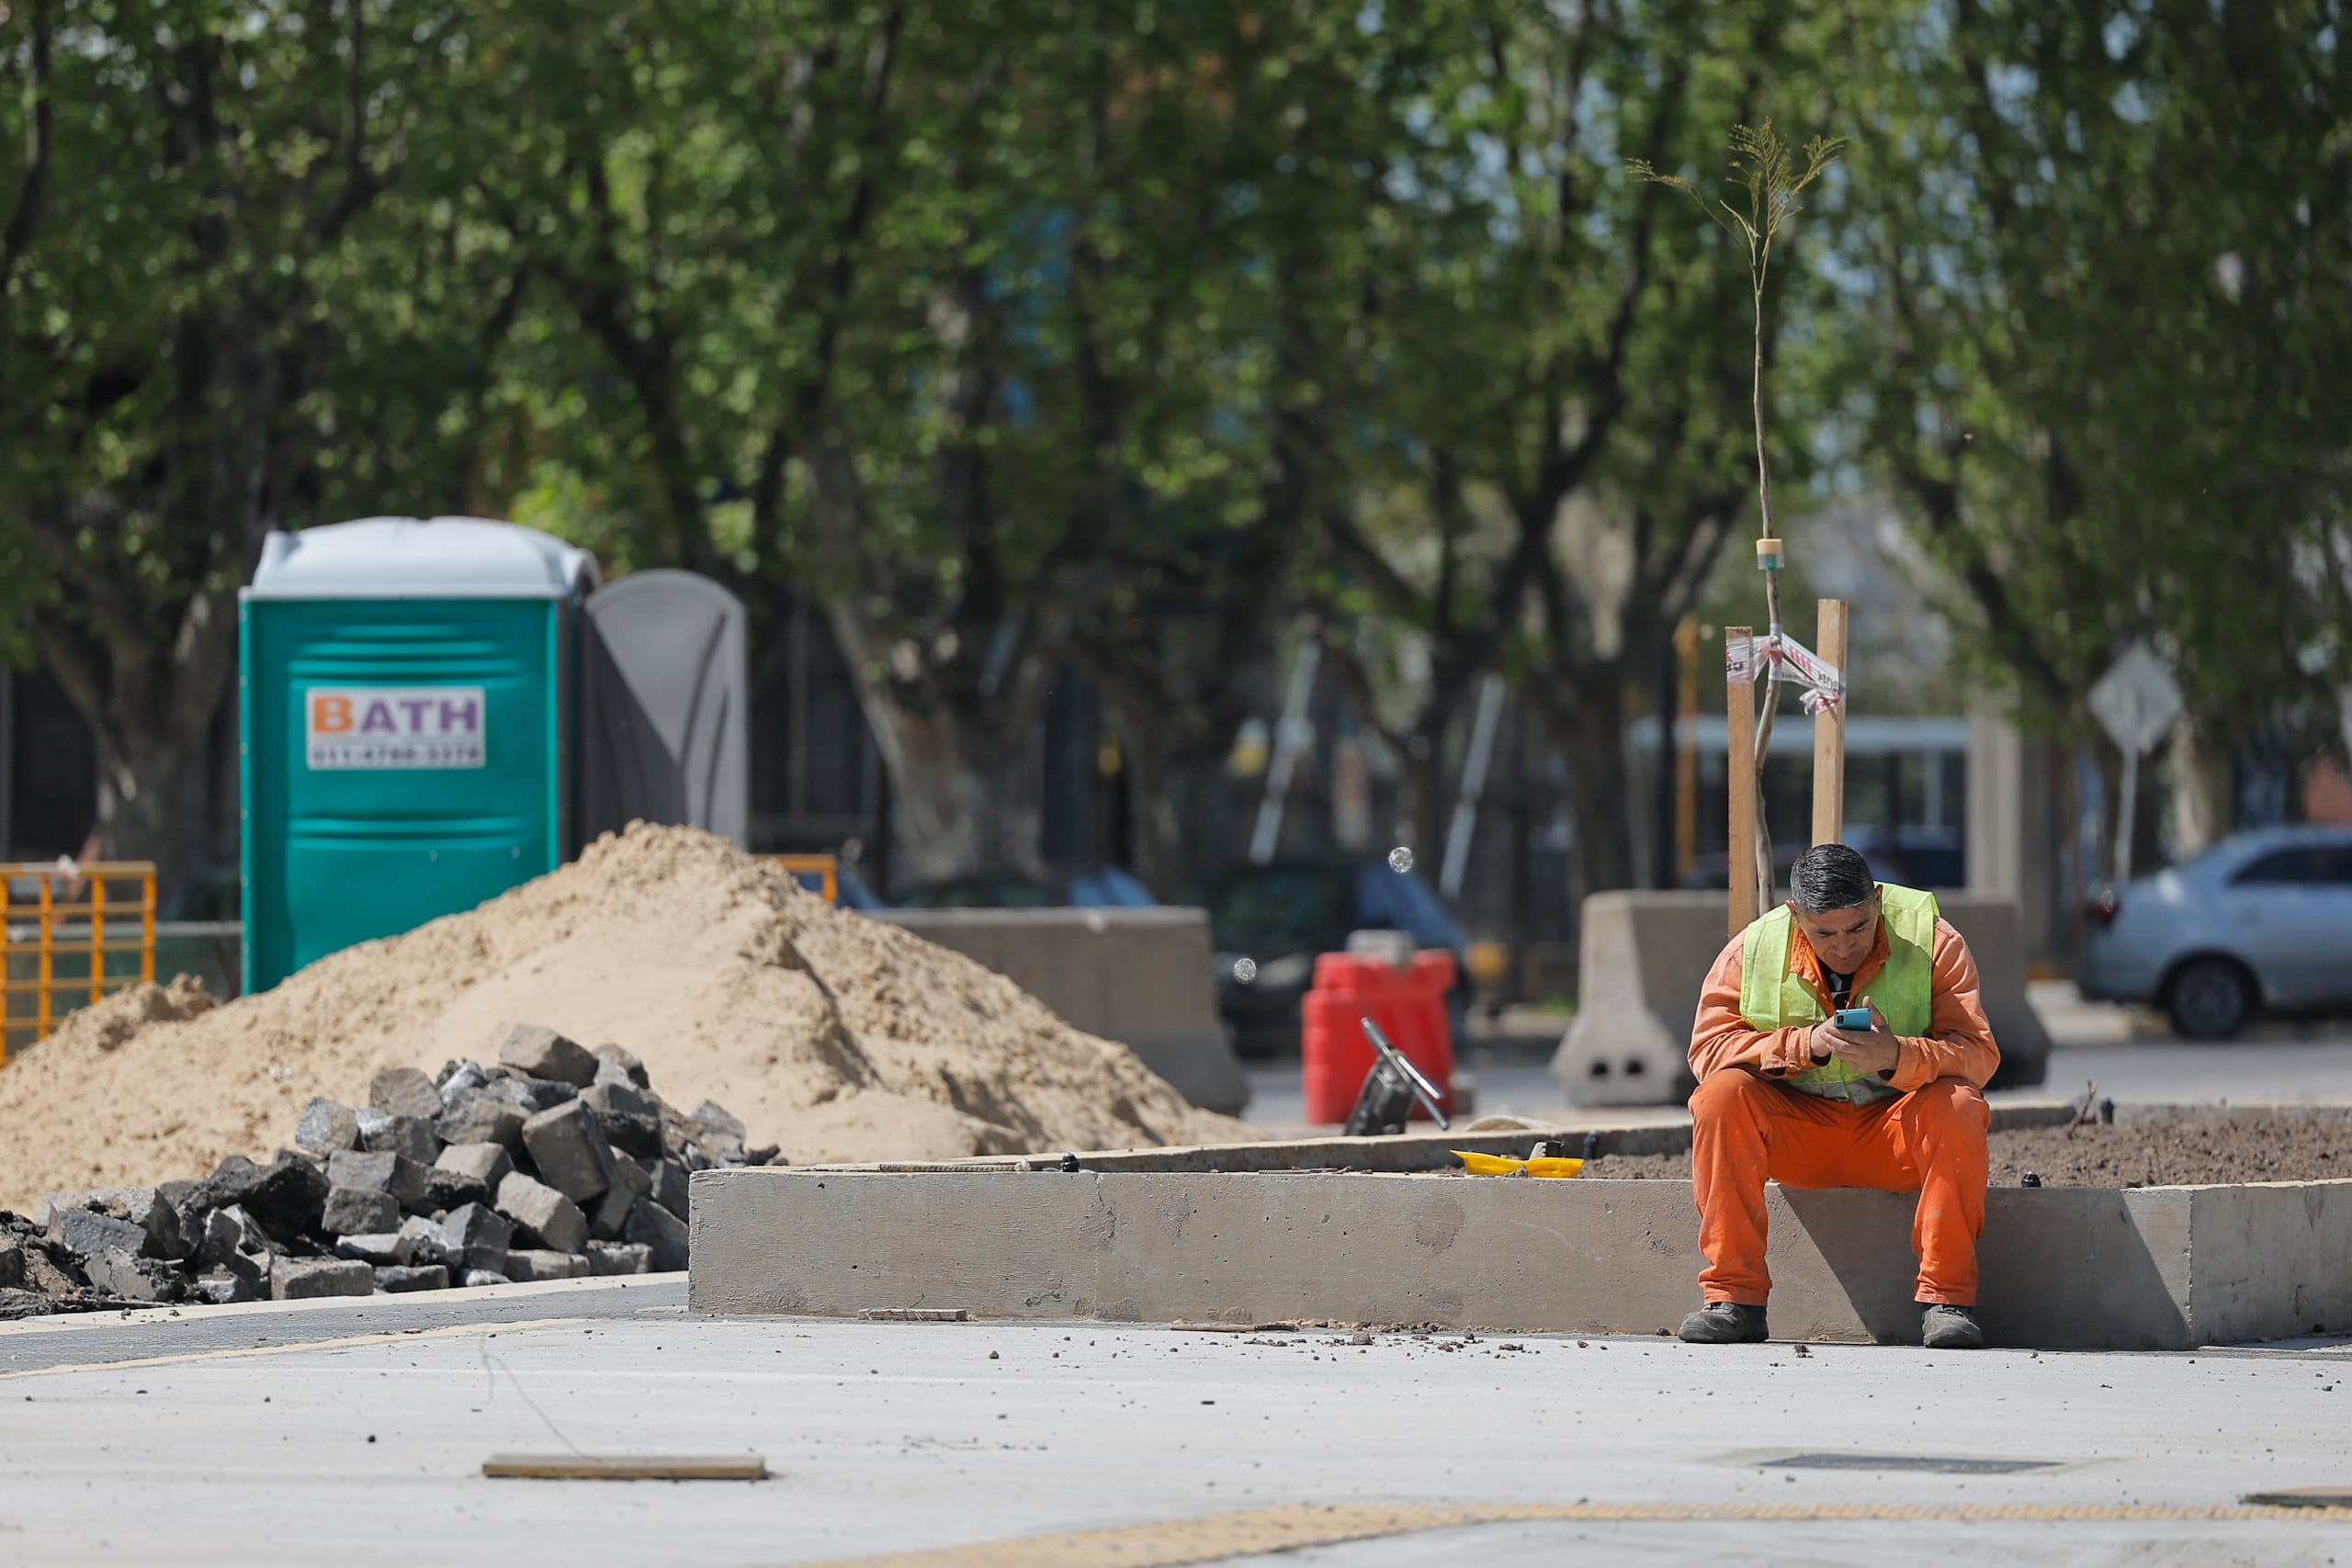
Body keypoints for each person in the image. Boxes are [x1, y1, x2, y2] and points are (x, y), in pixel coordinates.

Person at [1677, 843, 1998, 1349]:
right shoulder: (1752, 949)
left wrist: (1897, 1055)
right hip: (1796, 1138)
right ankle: (1732, 1298)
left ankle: (1948, 1300)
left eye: (1858, 928)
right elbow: (1707, 1052)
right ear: (1795, 914)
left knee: (1958, 1104)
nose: (1844, 948)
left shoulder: (1933, 940)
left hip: (1895, 1136)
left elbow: (1978, 1055)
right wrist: (1808, 1044)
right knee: (1720, 1097)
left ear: (1877, 902)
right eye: (1824, 933)